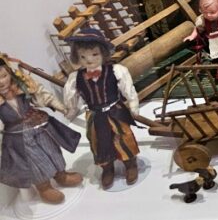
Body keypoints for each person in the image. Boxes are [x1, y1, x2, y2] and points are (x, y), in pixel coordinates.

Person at [63, 28, 140, 190]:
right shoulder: (75, 78)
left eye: (94, 54)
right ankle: (107, 168)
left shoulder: (116, 70)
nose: (89, 60)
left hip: (115, 111)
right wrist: (70, 109)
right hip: (95, 115)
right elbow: (71, 97)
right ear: (77, 56)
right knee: (98, 142)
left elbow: (128, 89)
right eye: (83, 57)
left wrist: (133, 104)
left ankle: (130, 164)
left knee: (123, 137)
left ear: (103, 53)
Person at [0, 55, 81, 204]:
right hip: (17, 135)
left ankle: (61, 175)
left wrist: (62, 108)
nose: (1, 82)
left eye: (3, 76)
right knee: (34, 159)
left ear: (9, 72)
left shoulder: (22, 85)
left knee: (51, 148)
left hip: (37, 123)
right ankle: (44, 187)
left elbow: (42, 95)